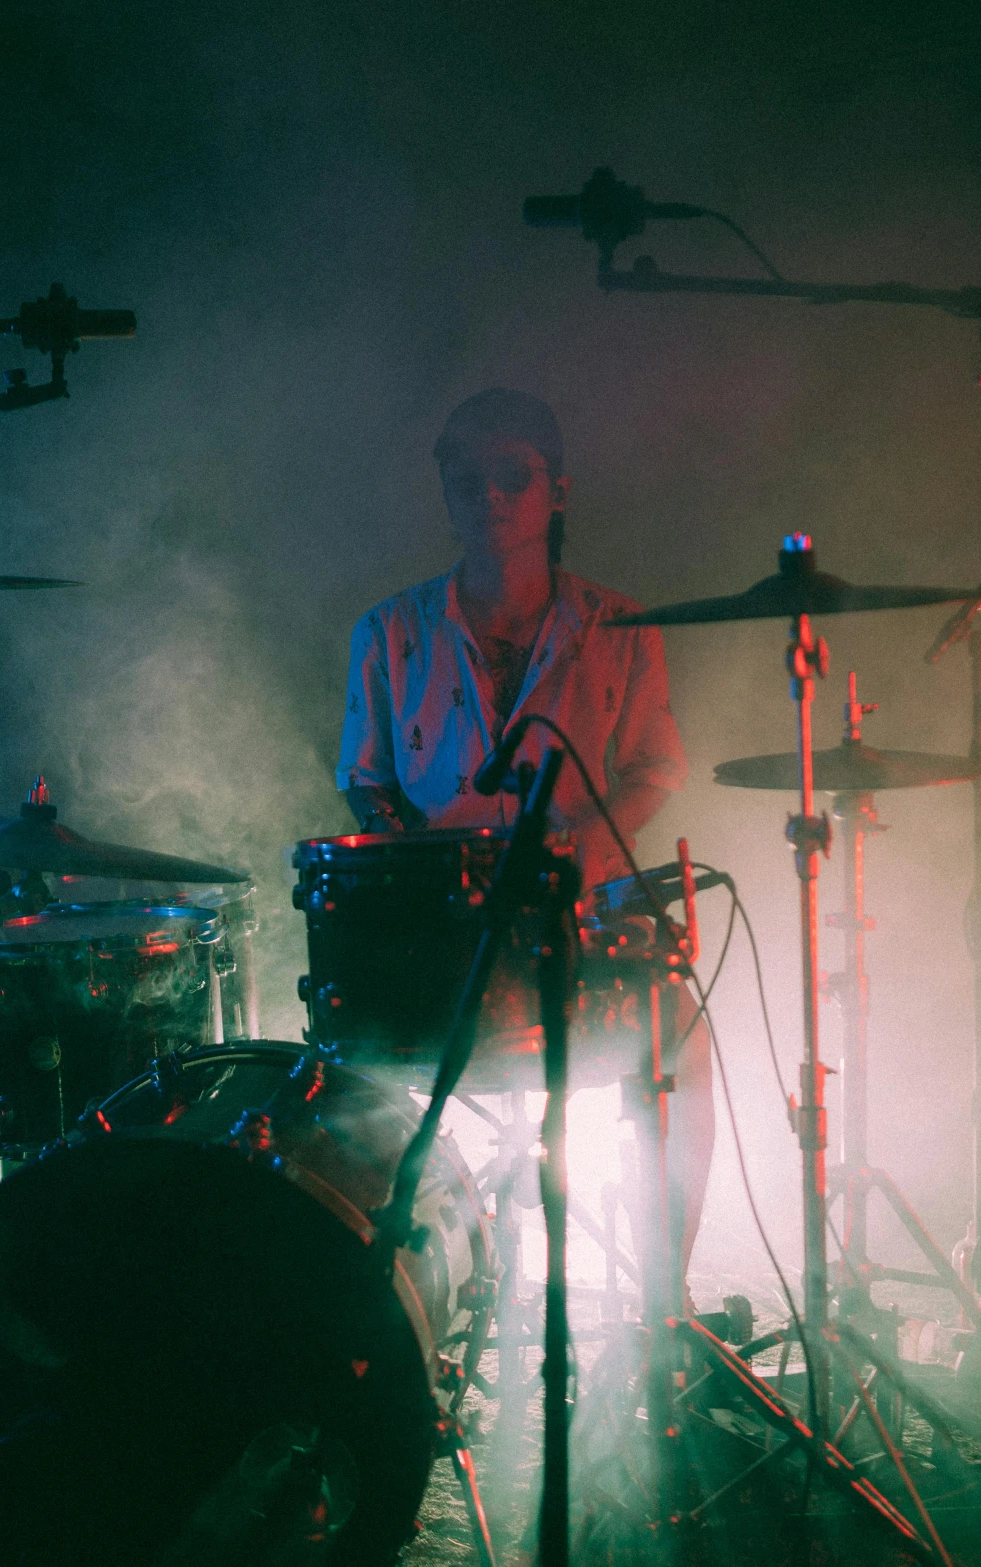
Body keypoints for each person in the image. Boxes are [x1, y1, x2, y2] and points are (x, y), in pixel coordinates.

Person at [335, 387, 714, 1276]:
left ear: (559, 491)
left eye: (513, 475)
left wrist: (576, 851)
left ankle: (668, 1296)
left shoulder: (621, 626)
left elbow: (655, 766)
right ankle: (401, 1293)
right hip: (442, 933)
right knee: (346, 1066)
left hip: (574, 921)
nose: (490, 495)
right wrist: (418, 874)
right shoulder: (388, 631)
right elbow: (368, 784)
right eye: (467, 478)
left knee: (683, 1044)